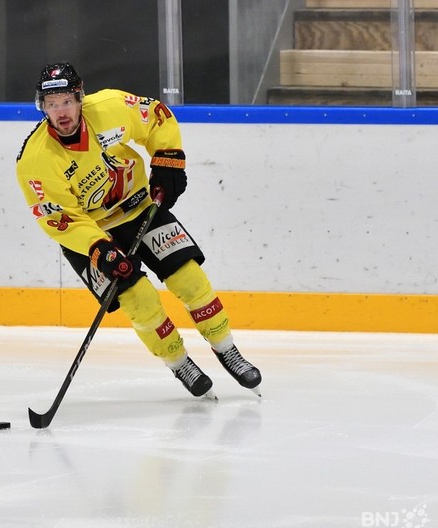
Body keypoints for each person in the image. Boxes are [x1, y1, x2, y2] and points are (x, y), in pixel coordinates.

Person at [14, 62, 262, 399]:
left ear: (80, 97)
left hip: (139, 207)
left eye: (67, 101)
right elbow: (60, 219)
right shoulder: (35, 161)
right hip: (90, 236)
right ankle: (179, 363)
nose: (61, 112)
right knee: (139, 300)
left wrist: (168, 160)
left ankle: (226, 348)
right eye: (52, 104)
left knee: (189, 278)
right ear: (42, 106)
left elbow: (157, 117)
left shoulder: (110, 108)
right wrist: (99, 249)